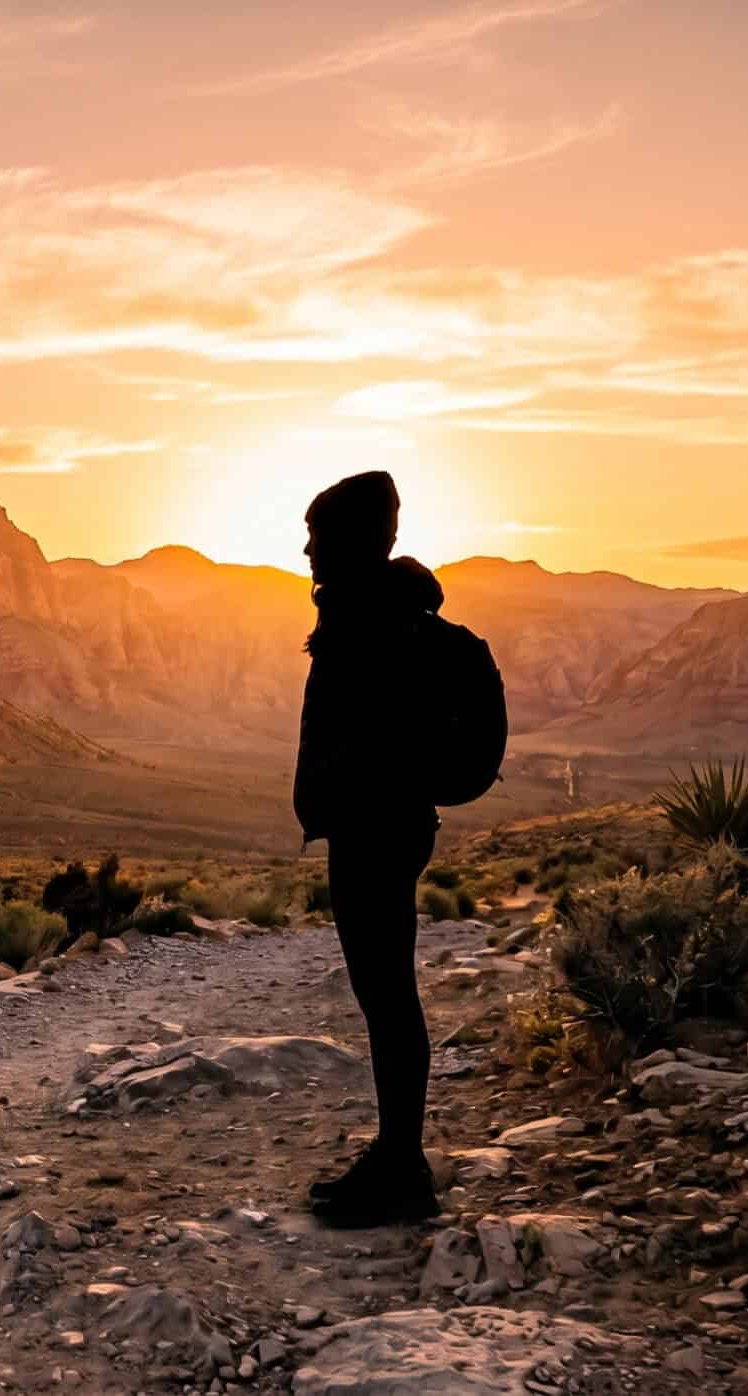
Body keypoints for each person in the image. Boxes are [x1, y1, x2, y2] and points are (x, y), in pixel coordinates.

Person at [292, 470, 445, 1227]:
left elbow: (367, 737)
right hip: (385, 827)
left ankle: (403, 1170)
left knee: (387, 998)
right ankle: (395, 1157)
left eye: (319, 535)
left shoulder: (369, 621)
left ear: (351, 539)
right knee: (386, 997)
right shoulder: (382, 610)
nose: (308, 549)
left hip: (374, 832)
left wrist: (345, 795)